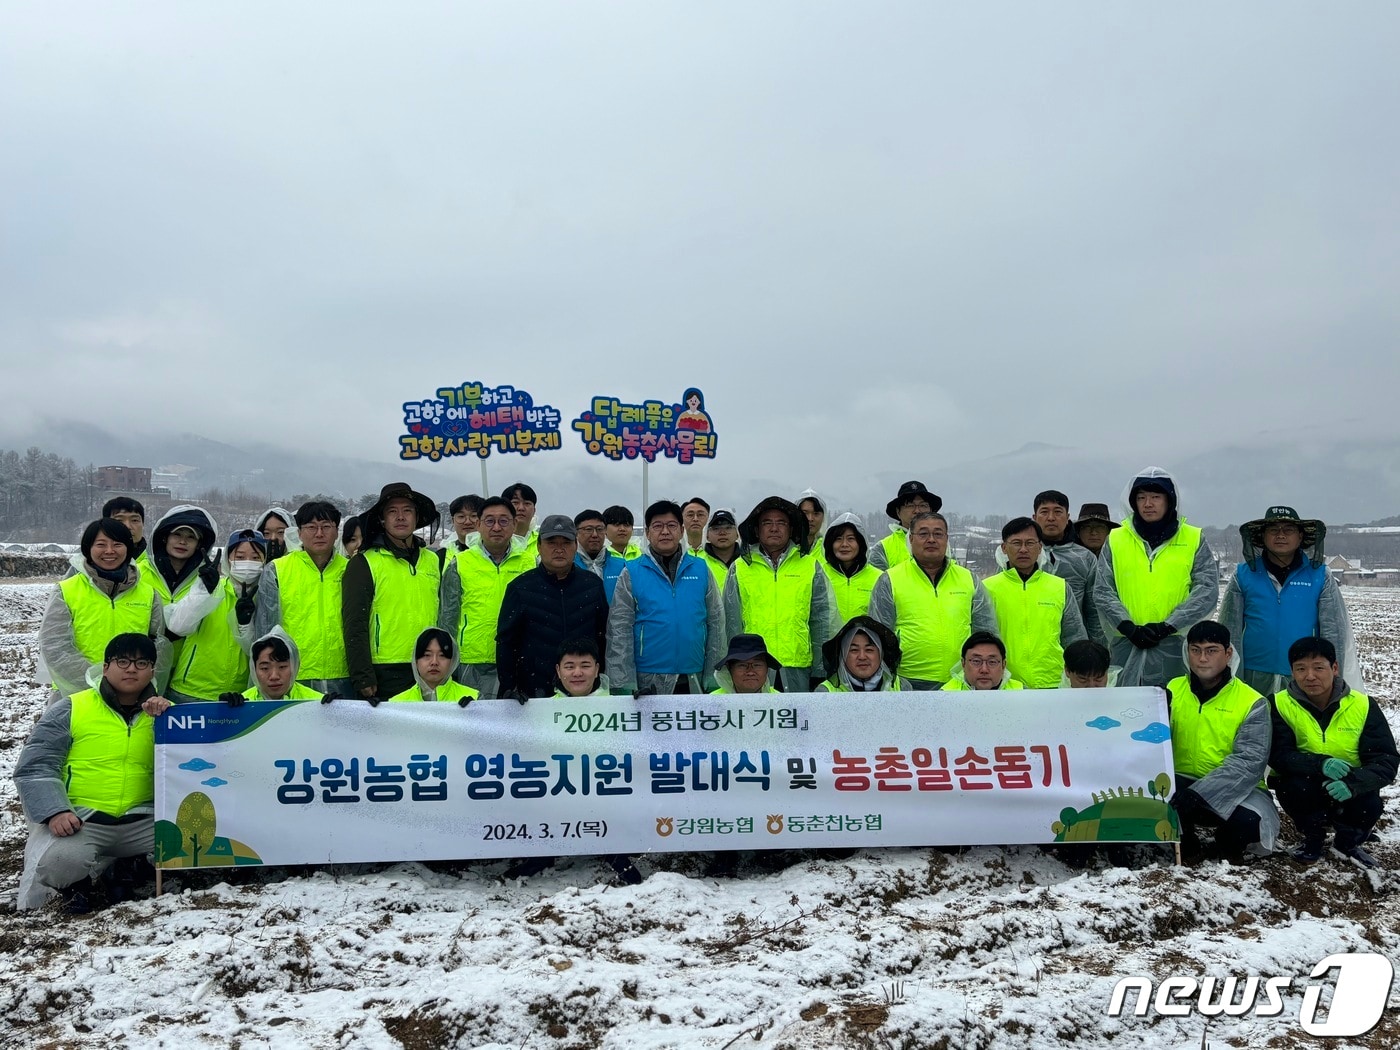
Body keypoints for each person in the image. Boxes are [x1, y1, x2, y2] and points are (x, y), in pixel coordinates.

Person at [15, 633, 173, 911]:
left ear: (152, 669)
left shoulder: (165, 715)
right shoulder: (72, 708)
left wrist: (172, 719)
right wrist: (55, 811)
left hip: (145, 820)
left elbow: (190, 763)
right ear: (105, 667)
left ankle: (126, 868)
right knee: (57, 862)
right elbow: (36, 765)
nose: (132, 669)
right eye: (122, 661)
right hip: (83, 820)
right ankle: (78, 887)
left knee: (195, 841)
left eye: (142, 662)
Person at [1269, 638, 1397, 867]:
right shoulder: (1279, 704)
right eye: (1301, 669)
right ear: (1292, 671)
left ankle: (1348, 843)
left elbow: (1385, 759)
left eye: (1318, 667)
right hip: (1306, 783)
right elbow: (1279, 754)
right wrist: (1319, 764)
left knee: (1369, 803)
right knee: (1292, 787)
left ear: (1334, 668)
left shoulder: (1363, 705)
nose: (1310, 676)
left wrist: (1353, 783)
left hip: (1348, 784)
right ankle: (1313, 838)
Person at [1093, 467, 1218, 688]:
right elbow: (1103, 589)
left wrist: (1168, 626)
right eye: (1141, 498)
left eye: (1155, 497)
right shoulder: (1116, 539)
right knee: (1127, 711)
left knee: (1174, 707)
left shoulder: (1193, 538)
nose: (1148, 504)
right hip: (1126, 644)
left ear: (1169, 500)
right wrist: (1127, 627)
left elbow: (1206, 590)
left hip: (1175, 645)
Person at [1219, 506, 1361, 696]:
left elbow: (1333, 631)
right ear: (1262, 536)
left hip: (1304, 675)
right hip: (1253, 674)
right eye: (1273, 530)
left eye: (1288, 530)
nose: (1281, 535)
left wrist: (1331, 678)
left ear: (1300, 537)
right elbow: (1229, 630)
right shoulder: (1243, 575)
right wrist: (1229, 675)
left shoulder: (1320, 576)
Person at [1166, 621, 1277, 860]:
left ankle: (1226, 844)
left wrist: (1201, 793)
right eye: (1195, 650)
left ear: (1228, 654)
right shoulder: (1171, 690)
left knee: (1247, 823)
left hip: (1237, 788)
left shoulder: (1251, 701)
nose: (1202, 658)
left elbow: (1249, 762)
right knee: (1157, 793)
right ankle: (1186, 841)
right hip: (1180, 782)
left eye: (1211, 650)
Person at [40, 518, 169, 700]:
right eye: (101, 544)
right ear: (88, 548)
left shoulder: (149, 594)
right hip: (76, 694)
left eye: (117, 544)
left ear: (128, 548)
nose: (109, 551)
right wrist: (99, 682)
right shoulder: (66, 590)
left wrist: (137, 685)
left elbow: (158, 646)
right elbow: (55, 646)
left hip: (133, 696)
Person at [606, 500, 724, 696]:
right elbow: (619, 630)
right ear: (647, 532)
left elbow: (716, 623)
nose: (665, 531)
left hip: (694, 674)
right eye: (658, 526)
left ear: (681, 531)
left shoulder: (701, 569)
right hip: (648, 678)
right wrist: (623, 683)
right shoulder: (632, 572)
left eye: (671, 526)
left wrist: (714, 677)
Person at [868, 511, 997, 689]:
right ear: (911, 539)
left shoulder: (969, 580)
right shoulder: (890, 580)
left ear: (946, 539)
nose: (931, 540)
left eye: (938, 534)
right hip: (907, 683)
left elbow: (987, 634)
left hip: (961, 683)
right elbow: (877, 638)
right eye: (923, 534)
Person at [722, 496, 834, 692]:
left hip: (798, 667)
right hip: (752, 669)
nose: (774, 528)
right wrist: (733, 667)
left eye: (781, 523)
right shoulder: (739, 568)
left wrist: (820, 669)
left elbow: (821, 621)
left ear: (791, 529)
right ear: (757, 529)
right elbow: (730, 623)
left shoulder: (810, 566)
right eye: (767, 523)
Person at [342, 482, 442, 700]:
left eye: (407, 511)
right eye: (392, 512)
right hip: (385, 670)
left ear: (417, 518)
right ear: (382, 519)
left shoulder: (432, 560)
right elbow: (354, 624)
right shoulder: (364, 562)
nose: (400, 517)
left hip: (430, 666)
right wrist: (362, 675)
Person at [496, 515, 609, 699]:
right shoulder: (520, 587)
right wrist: (510, 686)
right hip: (534, 691)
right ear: (539, 547)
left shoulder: (592, 585)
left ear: (575, 546)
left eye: (565, 542)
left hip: (583, 690)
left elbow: (603, 636)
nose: (559, 549)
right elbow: (506, 643)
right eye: (551, 543)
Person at [438, 496, 534, 699]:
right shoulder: (460, 563)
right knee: (474, 725)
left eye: (504, 521)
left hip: (520, 658)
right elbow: (447, 619)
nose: (497, 527)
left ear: (514, 524)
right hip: (472, 661)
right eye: (490, 521)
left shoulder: (530, 563)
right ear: (479, 525)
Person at [254, 500, 351, 696]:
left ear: (336, 532)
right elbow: (265, 631)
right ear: (298, 533)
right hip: (294, 677)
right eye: (311, 527)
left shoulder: (352, 569)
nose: (319, 533)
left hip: (343, 676)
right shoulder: (278, 570)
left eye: (326, 527)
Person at [163, 528, 267, 703]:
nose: (247, 562)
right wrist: (203, 592)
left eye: (256, 558)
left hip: (239, 695)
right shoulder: (211, 586)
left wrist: (244, 624)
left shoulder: (266, 596)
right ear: (228, 559)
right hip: (190, 690)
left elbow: (260, 651)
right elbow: (177, 626)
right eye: (240, 557)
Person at [982, 517, 1086, 689]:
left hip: (1052, 683)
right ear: (1004, 548)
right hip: (1005, 685)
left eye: (1030, 543)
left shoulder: (1059, 586)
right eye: (1016, 543)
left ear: (1040, 548)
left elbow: (1075, 638)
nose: (1023, 549)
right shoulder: (988, 588)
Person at [1032, 490, 1101, 643]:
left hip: (1074, 643)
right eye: (1044, 512)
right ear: (1034, 518)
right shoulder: (1021, 555)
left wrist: (1097, 648)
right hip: (1028, 640)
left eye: (1058, 512)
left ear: (1068, 517)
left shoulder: (1085, 558)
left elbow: (1094, 610)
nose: (1051, 518)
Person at [139, 505, 220, 607]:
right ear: (165, 538)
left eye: (191, 537)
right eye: (177, 534)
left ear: (198, 544)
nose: (182, 542)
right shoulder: (138, 573)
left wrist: (205, 591)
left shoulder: (206, 580)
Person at [222, 629, 326, 703]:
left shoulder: (316, 702)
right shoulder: (242, 704)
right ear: (254, 669)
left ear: (294, 667)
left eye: (282, 667)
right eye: (265, 668)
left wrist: (335, 708)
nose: (274, 676)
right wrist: (222, 712)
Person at [385, 628, 479, 705]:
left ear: (452, 661)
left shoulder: (474, 698)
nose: (434, 662)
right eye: (427, 655)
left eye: (442, 655)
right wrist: (374, 712)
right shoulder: (396, 704)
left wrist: (476, 712)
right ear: (416, 661)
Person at [819, 512, 882, 625]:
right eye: (838, 539)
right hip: (827, 642)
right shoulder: (819, 575)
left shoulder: (879, 578)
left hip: (864, 641)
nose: (844, 544)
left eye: (851, 539)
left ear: (860, 543)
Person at [817, 616, 910, 692]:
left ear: (881, 654)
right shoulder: (825, 692)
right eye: (854, 650)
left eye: (869, 650)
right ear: (843, 655)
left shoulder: (902, 687)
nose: (862, 657)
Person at [869, 481, 939, 572]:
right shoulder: (882, 549)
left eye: (923, 505)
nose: (917, 511)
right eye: (910, 505)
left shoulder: (942, 544)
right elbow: (879, 584)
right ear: (898, 512)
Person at [573, 508, 627, 603]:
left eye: (599, 529)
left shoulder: (622, 567)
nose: (595, 535)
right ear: (576, 533)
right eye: (588, 529)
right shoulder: (568, 567)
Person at [939, 632, 1025, 691]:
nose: (984, 670)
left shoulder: (1022, 694)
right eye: (976, 661)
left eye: (992, 662)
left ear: (1003, 665)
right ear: (963, 664)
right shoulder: (945, 695)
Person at [711, 634, 782, 694]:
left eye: (757, 665)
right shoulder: (710, 702)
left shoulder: (782, 702)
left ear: (766, 668)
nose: (750, 672)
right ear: (729, 668)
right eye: (742, 665)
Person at [700, 509, 741, 588]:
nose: (722, 533)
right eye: (716, 528)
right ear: (707, 535)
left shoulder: (750, 562)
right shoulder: (697, 563)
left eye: (728, 528)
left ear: (737, 534)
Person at [102, 497, 148, 564]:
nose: (128, 526)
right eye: (119, 521)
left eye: (134, 520)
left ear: (143, 524)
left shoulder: (158, 564)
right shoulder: (88, 567)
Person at [502, 482, 540, 562]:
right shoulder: (494, 539)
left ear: (534, 510)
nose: (521, 508)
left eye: (527, 503)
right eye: (515, 503)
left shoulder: (542, 541)